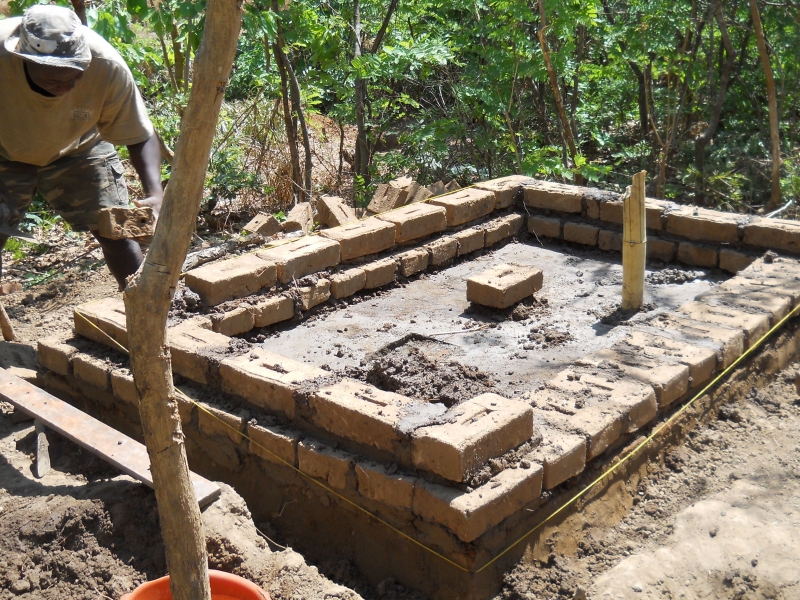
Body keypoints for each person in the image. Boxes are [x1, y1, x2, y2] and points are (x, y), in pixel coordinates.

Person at [0, 4, 163, 291]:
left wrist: (155, 194)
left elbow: (139, 133)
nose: (68, 86)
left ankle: (146, 315)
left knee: (117, 233)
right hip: (4, 151)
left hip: (80, 148)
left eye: (76, 75)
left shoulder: (106, 65)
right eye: (54, 78)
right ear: (23, 59)